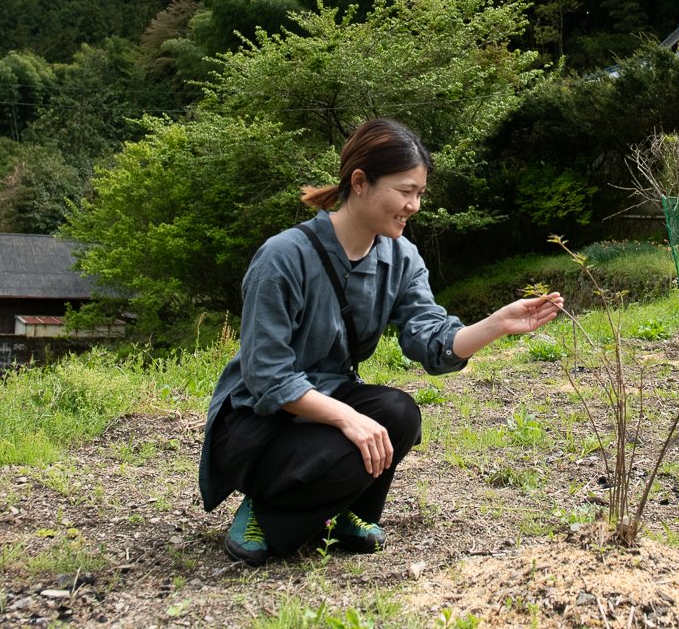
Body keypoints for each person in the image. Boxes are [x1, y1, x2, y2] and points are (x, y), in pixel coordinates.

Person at [198, 117, 564, 565]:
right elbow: (266, 376)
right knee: (357, 435)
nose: (414, 205)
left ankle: (339, 510)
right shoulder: (283, 256)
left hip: (324, 403)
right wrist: (347, 416)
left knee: (398, 414)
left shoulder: (401, 257)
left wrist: (495, 325)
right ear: (360, 182)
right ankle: (263, 505)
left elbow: (430, 339)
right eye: (405, 190)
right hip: (255, 422)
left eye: (420, 194)